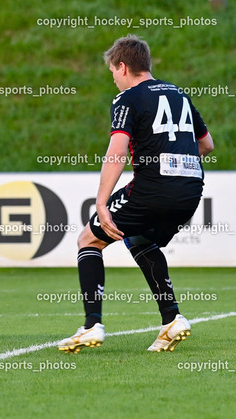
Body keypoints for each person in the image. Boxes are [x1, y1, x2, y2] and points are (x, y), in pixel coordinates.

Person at [58, 35, 214, 353]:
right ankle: (172, 319)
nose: (114, 79)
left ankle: (91, 326)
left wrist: (101, 203)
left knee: (88, 239)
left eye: (113, 72)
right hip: (191, 191)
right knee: (139, 238)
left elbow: (116, 154)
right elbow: (207, 144)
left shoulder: (128, 99)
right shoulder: (179, 95)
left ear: (123, 66)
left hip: (154, 189)